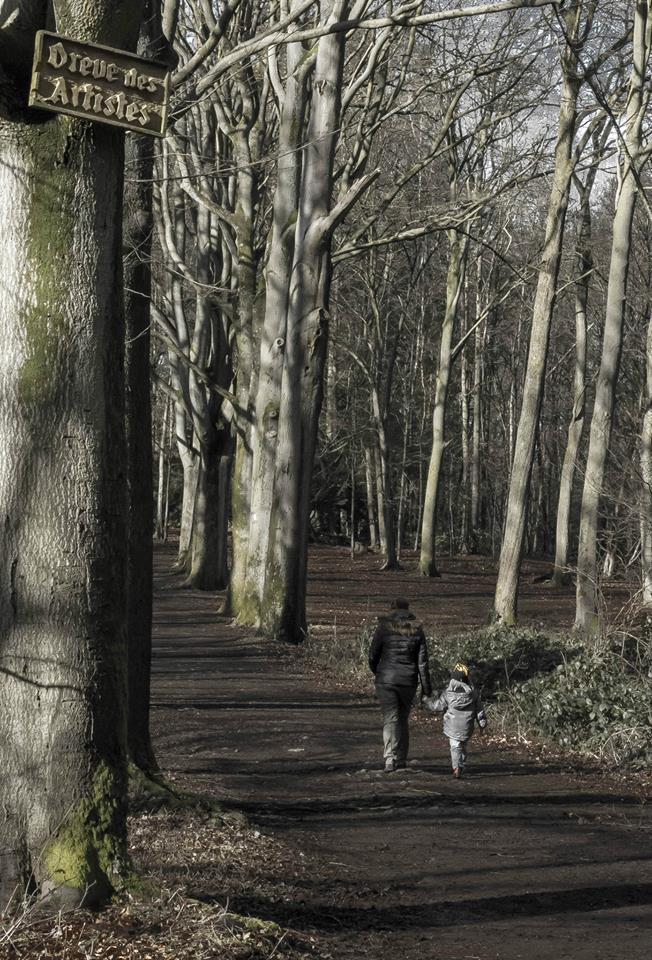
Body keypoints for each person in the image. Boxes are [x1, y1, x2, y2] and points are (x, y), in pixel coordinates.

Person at [368, 597, 432, 772]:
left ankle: (390, 758)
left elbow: (373, 655)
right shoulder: (417, 629)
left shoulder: (384, 627)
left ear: (391, 609)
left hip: (386, 680)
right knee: (402, 719)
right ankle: (401, 759)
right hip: (408, 681)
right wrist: (427, 689)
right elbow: (423, 663)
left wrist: (379, 672)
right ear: (408, 610)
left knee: (391, 718)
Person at [424, 662, 487, 778]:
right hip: (467, 726)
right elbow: (479, 710)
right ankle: (461, 764)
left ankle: (456, 767)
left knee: (455, 746)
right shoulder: (473, 693)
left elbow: (438, 706)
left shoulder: (448, 694)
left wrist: (427, 702)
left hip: (452, 726)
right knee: (462, 745)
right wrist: (482, 723)